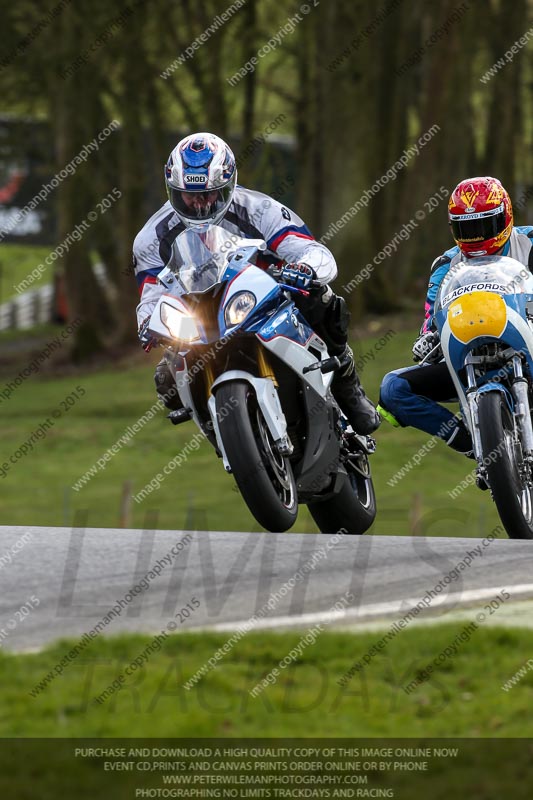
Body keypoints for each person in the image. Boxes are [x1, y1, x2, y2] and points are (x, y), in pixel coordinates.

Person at [133, 132, 380, 434]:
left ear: (228, 185)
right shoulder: (151, 238)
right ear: (172, 190)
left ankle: (347, 384)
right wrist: (148, 324)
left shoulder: (260, 209)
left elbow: (314, 252)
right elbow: (150, 296)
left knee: (321, 298)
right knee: (167, 381)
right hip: (198, 317)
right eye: (189, 196)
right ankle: (220, 434)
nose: (199, 205)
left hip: (265, 298)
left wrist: (304, 267)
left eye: (210, 194)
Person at [379, 176, 533, 456]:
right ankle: (474, 445)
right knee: (393, 389)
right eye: (467, 228)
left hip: (526, 338)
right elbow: (432, 311)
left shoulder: (530, 242)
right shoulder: (445, 263)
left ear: (506, 215)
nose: (476, 235)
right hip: (469, 351)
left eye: (484, 225)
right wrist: (427, 335)